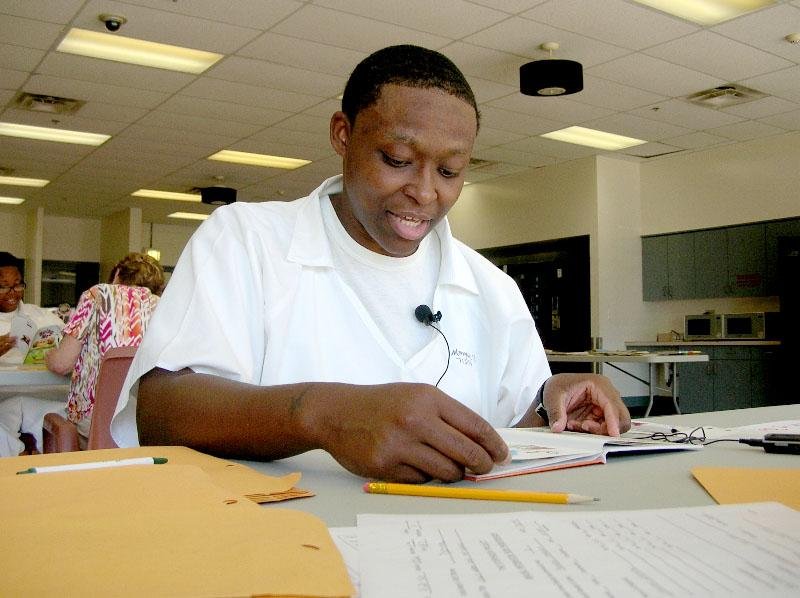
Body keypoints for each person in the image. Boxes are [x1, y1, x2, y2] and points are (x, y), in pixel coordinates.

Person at [111, 45, 630, 482]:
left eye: (449, 171)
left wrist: (552, 405)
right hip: (280, 547)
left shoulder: (490, 288)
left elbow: (512, 427)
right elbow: (163, 411)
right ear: (343, 134)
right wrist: (326, 415)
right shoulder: (246, 239)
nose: (424, 192)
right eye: (397, 160)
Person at [45, 252, 163, 443]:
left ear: (117, 275)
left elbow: (61, 365)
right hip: (142, 422)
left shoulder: (97, 295)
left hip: (96, 420)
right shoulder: (162, 306)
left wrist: (49, 356)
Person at [0, 251, 64, 363]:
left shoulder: (40, 315)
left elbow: (72, 342)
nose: (12, 292)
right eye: (4, 286)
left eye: (17, 285)